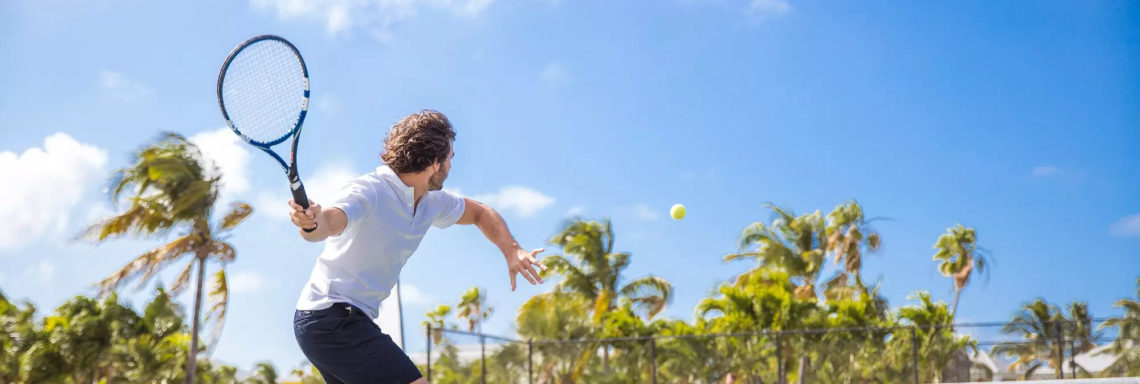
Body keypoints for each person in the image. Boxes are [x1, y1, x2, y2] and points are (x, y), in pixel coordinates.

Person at [288, 109, 547, 383]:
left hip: (338, 322)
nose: (451, 166)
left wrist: (511, 249)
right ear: (436, 163)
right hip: (331, 318)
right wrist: (310, 222)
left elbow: (480, 212)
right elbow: (328, 222)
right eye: (450, 159)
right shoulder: (371, 190)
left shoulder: (432, 202)